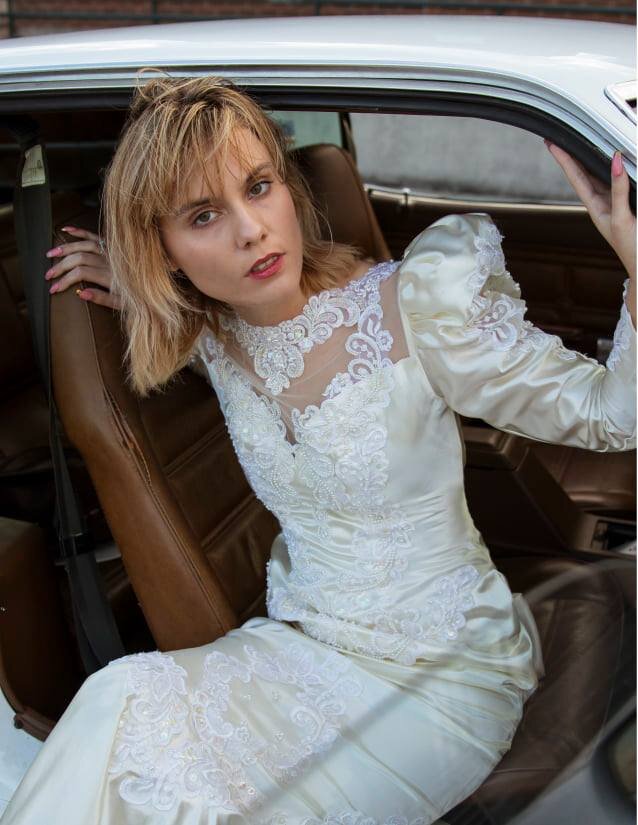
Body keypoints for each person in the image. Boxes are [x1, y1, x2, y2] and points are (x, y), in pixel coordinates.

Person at [2, 74, 635, 825]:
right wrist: (133, 281)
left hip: (443, 672)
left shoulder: (418, 308)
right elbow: (182, 313)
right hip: (299, 650)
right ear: (162, 250)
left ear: (287, 188)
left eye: (258, 187)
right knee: (116, 700)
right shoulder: (216, 334)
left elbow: (612, 416)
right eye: (203, 215)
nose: (251, 230)